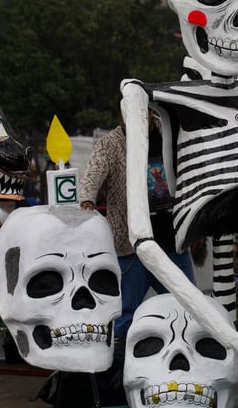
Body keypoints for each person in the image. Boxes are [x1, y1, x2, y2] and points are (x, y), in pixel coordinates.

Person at [80, 110, 195, 339]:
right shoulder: (110, 144)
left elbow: (189, 169)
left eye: (144, 111)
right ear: (122, 114)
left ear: (151, 113)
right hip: (131, 245)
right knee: (123, 314)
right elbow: (92, 174)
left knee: (190, 308)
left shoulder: (169, 137)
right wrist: (87, 199)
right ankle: (116, 367)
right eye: (128, 113)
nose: (136, 117)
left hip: (171, 242)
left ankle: (189, 361)